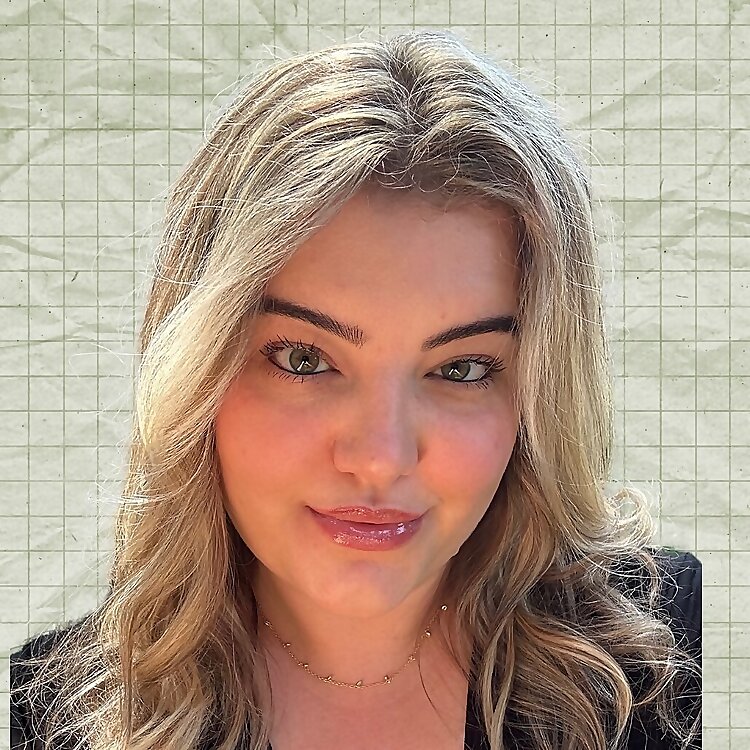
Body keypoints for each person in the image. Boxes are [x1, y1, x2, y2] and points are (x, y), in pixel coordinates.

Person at [11, 30, 700, 750]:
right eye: (305, 359)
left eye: (462, 369)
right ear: (195, 372)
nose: (380, 457)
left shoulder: (678, 657)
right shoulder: (44, 718)